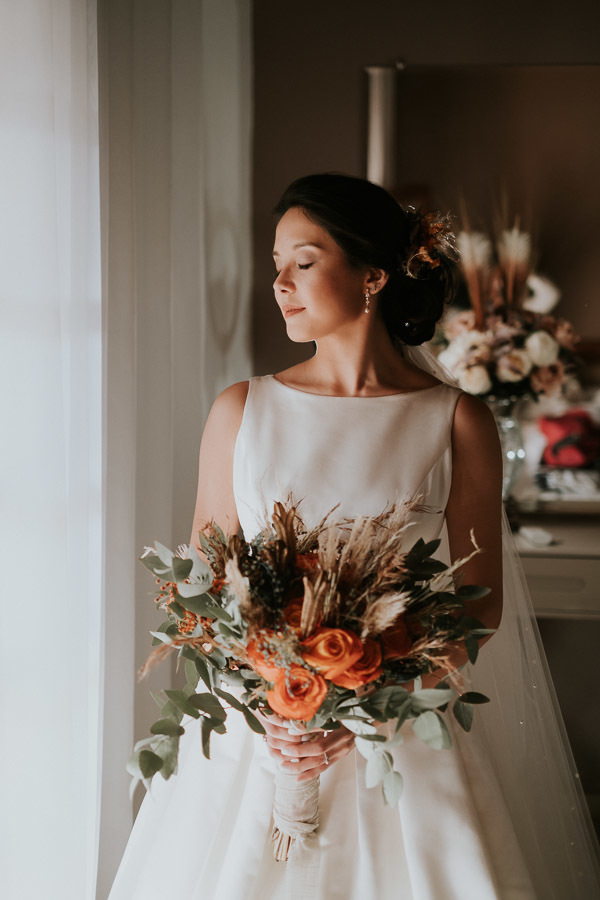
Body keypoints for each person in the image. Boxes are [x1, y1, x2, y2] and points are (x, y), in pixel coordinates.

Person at [109, 173, 600, 900]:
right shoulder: (241, 410)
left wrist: (370, 711)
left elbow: (477, 605)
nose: (280, 282)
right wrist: (272, 704)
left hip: (399, 740)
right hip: (260, 737)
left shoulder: (455, 420)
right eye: (275, 263)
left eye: (303, 262)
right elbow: (202, 593)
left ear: (373, 276)